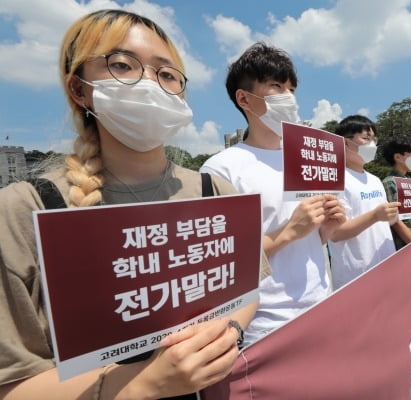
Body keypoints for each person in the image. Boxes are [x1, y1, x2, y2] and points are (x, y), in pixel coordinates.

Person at [0, 10, 263, 399]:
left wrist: (231, 331)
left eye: (168, 74)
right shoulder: (23, 209)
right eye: (123, 65)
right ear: (79, 88)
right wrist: (143, 382)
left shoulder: (215, 191)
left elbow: (247, 290)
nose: (150, 84)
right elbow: (13, 383)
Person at [200, 42, 345, 344]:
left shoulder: (304, 158)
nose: (288, 97)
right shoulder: (221, 169)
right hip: (265, 326)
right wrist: (289, 231)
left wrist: (326, 229)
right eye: (276, 86)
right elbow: (221, 263)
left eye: (291, 89)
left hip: (321, 306)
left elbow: (309, 241)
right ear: (244, 99)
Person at [326, 116, 404, 289]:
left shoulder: (375, 180)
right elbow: (335, 233)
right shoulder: (334, 180)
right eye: (366, 138)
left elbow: (387, 222)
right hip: (356, 276)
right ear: (345, 142)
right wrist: (375, 216)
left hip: (386, 266)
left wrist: (393, 213)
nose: (372, 145)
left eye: (374, 139)